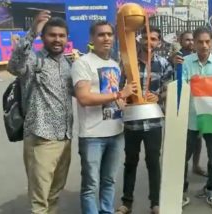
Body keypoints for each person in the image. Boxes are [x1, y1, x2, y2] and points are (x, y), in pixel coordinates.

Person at [7, 11, 73, 214]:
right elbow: (14, 65)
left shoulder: (67, 63)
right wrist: (32, 32)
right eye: (52, 35)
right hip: (41, 138)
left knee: (54, 193)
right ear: (43, 37)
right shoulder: (34, 61)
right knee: (40, 200)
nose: (57, 40)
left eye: (61, 36)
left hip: (65, 137)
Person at [71, 21, 137, 214]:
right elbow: (83, 98)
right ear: (92, 39)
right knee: (91, 185)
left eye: (109, 34)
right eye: (101, 35)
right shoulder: (82, 63)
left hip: (116, 132)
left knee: (109, 181)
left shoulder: (113, 64)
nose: (106, 38)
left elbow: (114, 96)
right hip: (92, 135)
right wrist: (119, 95)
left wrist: (125, 104)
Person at [116, 26, 174, 214]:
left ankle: (155, 203)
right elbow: (116, 88)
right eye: (147, 38)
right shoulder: (127, 63)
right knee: (130, 161)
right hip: (132, 122)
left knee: (153, 162)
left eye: (154, 39)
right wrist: (121, 104)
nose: (150, 42)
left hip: (154, 122)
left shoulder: (164, 64)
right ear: (140, 39)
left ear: (159, 43)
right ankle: (127, 203)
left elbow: (168, 89)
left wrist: (159, 96)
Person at [181, 27, 212, 211]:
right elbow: (181, 87)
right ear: (193, 42)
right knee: (183, 157)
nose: (204, 45)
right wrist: (191, 83)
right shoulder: (184, 63)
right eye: (200, 41)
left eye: (207, 41)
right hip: (190, 117)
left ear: (211, 42)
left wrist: (200, 83)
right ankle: (181, 192)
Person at [171, 31, 207, 177]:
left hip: (202, 108)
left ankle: (196, 165)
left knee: (198, 140)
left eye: (193, 40)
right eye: (187, 40)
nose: (190, 43)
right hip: (185, 106)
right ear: (181, 41)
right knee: (186, 142)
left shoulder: (200, 56)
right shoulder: (177, 57)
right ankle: (179, 175)